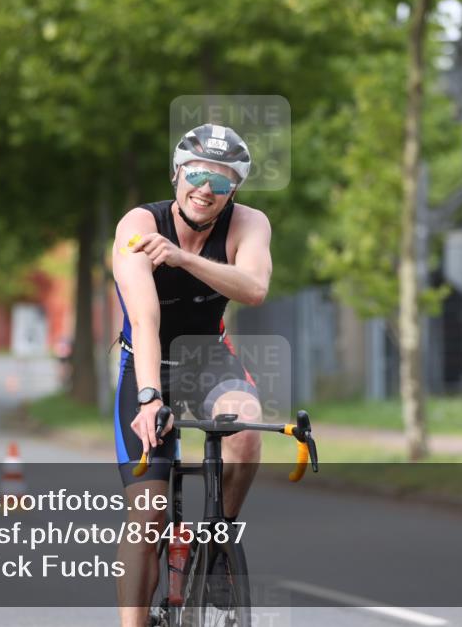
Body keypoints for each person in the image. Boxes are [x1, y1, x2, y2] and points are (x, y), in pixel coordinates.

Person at [111, 123, 272, 626]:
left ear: (234, 192)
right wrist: (149, 399)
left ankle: (218, 539)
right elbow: (145, 320)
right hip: (147, 359)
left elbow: (253, 288)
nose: (206, 189)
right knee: (148, 518)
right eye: (198, 175)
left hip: (208, 356)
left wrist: (182, 258)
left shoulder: (249, 224)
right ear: (177, 174)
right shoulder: (139, 224)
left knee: (245, 427)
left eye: (221, 182)